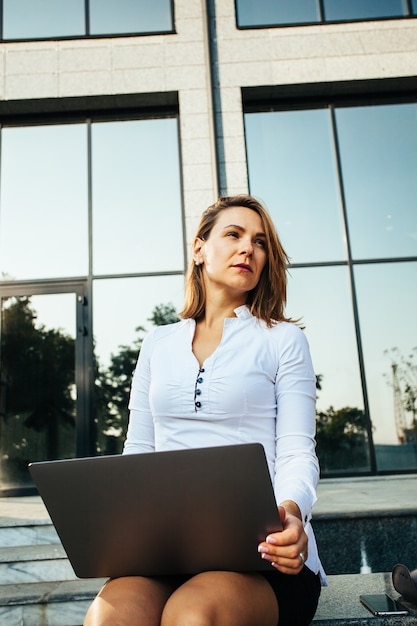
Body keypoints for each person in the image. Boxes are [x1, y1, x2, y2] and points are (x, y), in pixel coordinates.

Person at [84, 194, 326, 626]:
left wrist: (290, 512)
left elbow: (296, 451)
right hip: (166, 550)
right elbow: (139, 449)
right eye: (233, 235)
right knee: (110, 616)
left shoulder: (283, 340)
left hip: (262, 554)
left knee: (193, 614)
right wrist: (122, 530)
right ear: (199, 249)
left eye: (260, 242)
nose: (248, 248)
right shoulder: (157, 343)